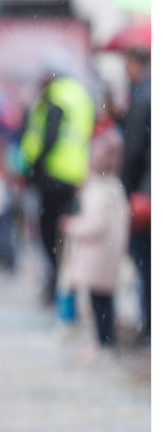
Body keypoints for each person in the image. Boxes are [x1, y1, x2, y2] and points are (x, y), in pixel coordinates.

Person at [19, 64, 95, 306]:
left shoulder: (57, 96)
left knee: (49, 233)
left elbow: (49, 136)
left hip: (51, 176)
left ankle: (58, 285)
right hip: (73, 174)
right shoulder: (79, 94)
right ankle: (64, 287)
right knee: (64, 232)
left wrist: (33, 167)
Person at [60, 130, 130, 356]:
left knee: (96, 303)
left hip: (96, 258)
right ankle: (106, 341)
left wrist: (72, 225)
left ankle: (102, 343)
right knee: (106, 301)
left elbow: (95, 223)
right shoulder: (116, 188)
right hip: (109, 256)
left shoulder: (95, 191)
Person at [118, 41, 149, 341]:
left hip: (144, 192)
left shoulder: (142, 96)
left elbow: (135, 150)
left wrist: (128, 188)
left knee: (145, 260)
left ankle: (149, 323)